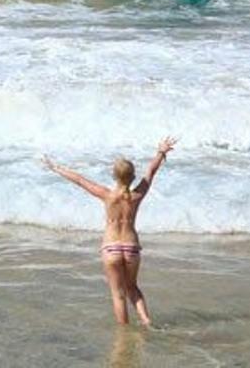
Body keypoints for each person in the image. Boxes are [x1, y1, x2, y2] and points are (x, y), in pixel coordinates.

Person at [42, 137, 177, 326]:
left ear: (114, 176)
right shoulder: (137, 195)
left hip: (111, 248)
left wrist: (55, 168)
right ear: (132, 176)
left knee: (118, 294)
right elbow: (151, 172)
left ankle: (124, 331)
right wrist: (161, 152)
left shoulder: (106, 195)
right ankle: (146, 320)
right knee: (132, 288)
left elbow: (80, 180)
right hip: (131, 247)